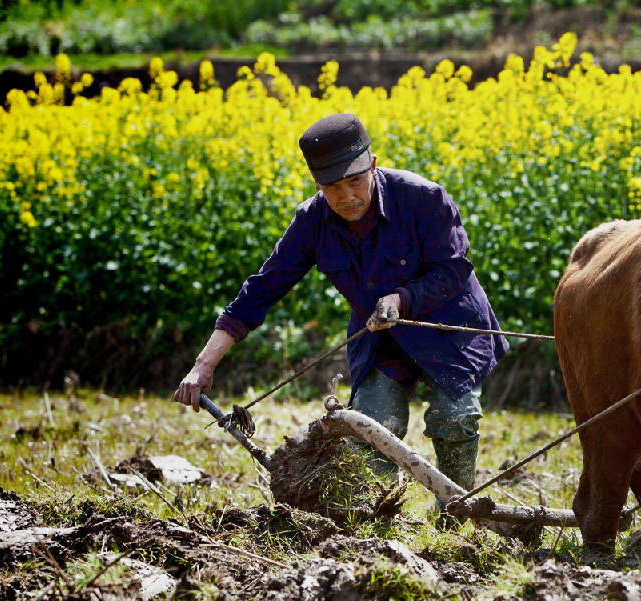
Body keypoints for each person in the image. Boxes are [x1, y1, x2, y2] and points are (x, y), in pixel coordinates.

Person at [174, 112, 506, 498]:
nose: (347, 197)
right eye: (333, 188)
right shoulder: (312, 222)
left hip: (449, 327)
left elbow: (454, 270)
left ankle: (456, 510)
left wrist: (402, 298)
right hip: (382, 339)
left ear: (374, 167)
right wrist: (204, 364)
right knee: (371, 432)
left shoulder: (423, 198)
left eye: (356, 182)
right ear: (316, 184)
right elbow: (260, 291)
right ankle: (376, 519)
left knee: (456, 420)